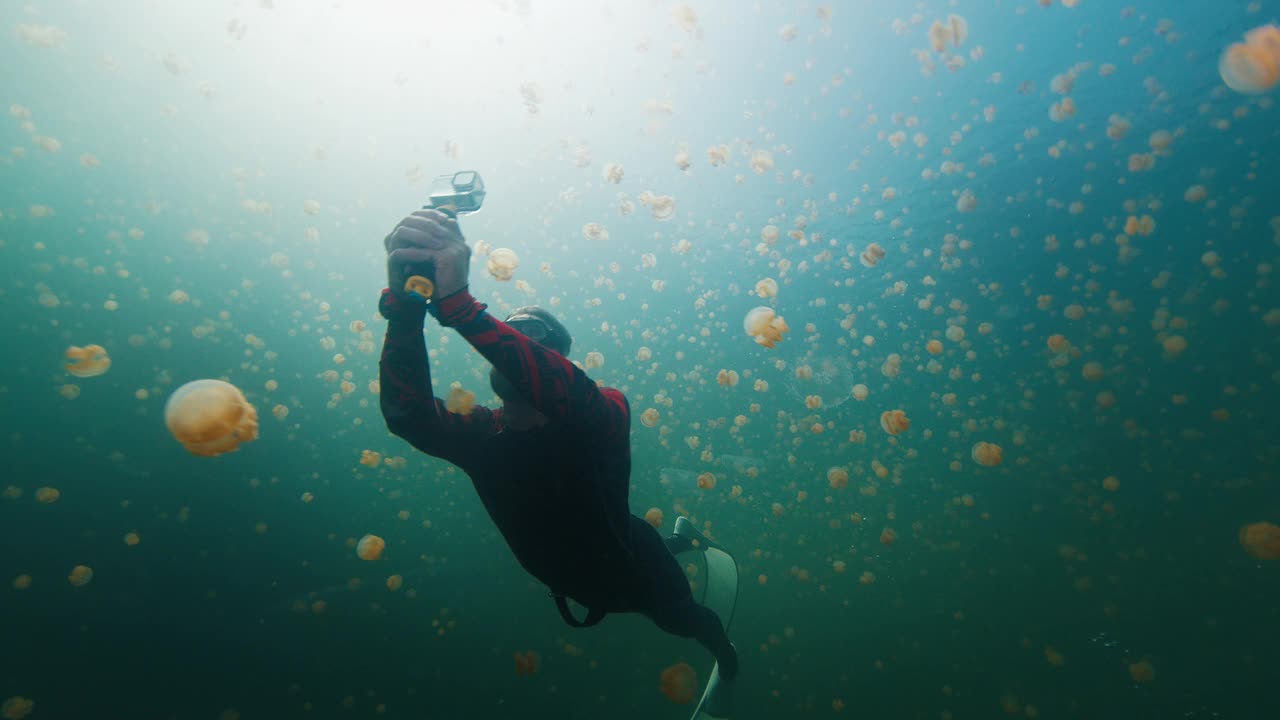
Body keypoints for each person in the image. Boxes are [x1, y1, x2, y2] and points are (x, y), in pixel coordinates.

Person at [378, 208, 739, 685]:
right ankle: (688, 540)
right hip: (574, 579)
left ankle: (728, 660)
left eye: (534, 339)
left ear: (554, 358)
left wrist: (461, 308)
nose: (517, 342)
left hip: (639, 574)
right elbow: (409, 416)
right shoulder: (482, 437)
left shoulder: (602, 416)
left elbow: (568, 393)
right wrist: (406, 309)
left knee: (685, 621)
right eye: (512, 333)